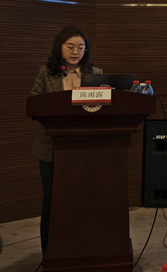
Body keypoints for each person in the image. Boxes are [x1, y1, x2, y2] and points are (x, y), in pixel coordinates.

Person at [30, 26, 102, 255]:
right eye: (70, 46)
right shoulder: (47, 72)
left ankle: (83, 247)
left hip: (85, 148)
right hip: (51, 148)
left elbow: (104, 105)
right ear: (59, 48)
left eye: (80, 47)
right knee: (52, 200)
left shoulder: (95, 73)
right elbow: (33, 104)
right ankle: (49, 252)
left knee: (84, 198)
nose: (75, 52)